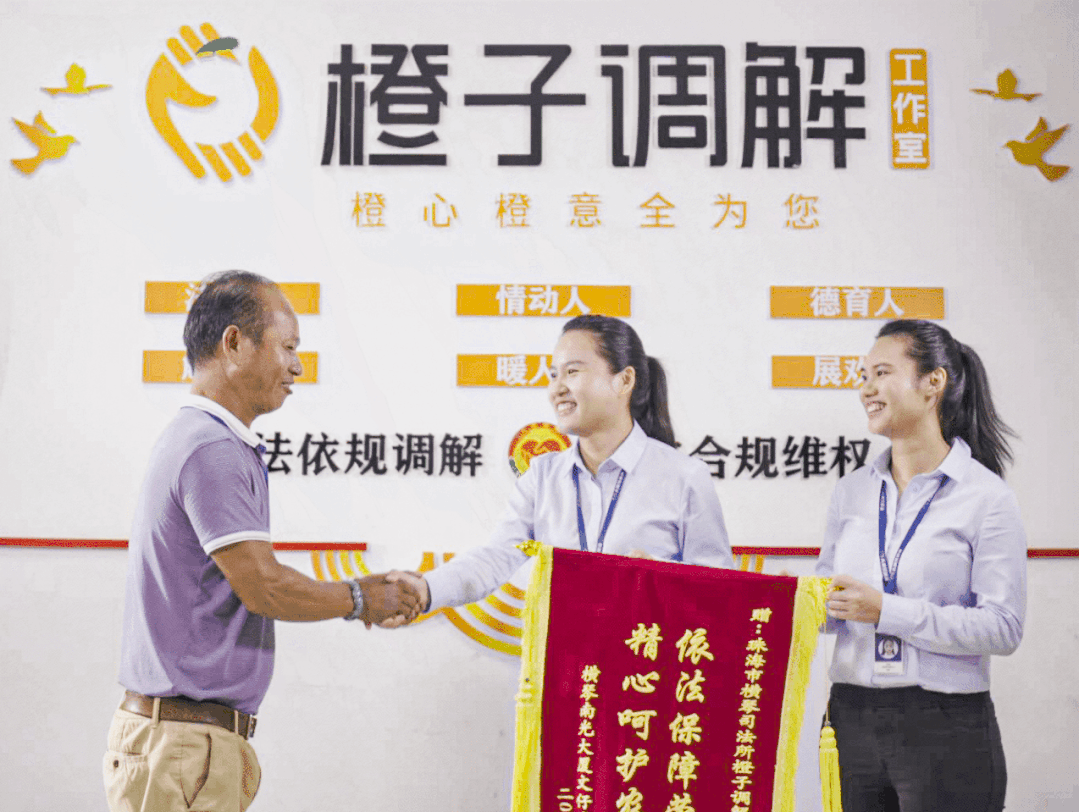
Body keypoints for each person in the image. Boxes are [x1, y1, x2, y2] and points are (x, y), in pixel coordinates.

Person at [104, 271, 420, 811]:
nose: (298, 366)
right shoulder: (212, 448)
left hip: (186, 743)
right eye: (288, 347)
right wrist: (361, 598)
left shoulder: (205, 439)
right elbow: (264, 587)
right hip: (182, 748)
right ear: (234, 343)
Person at [815, 319, 1026, 811]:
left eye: (882, 373)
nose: (866, 389)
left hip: (944, 725)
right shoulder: (852, 491)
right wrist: (794, 600)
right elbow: (830, 602)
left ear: (934, 383)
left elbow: (1003, 628)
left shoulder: (986, 497)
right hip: (851, 718)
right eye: (863, 376)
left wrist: (887, 611)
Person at [397, 314, 733, 615]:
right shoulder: (542, 476)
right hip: (564, 661)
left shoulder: (683, 476)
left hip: (645, 660)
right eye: (553, 375)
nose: (557, 389)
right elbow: (495, 556)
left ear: (624, 381)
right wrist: (425, 590)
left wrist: (662, 579)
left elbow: (721, 593)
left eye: (572, 372)